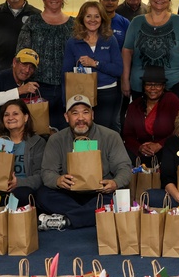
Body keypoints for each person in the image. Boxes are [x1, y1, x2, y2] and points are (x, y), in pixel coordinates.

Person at [37, 94, 133, 230]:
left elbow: (124, 167)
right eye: (75, 113)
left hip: (100, 193)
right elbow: (47, 172)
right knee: (43, 194)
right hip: (69, 193)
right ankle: (91, 215)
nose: (81, 118)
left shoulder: (111, 136)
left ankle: (66, 220)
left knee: (120, 196)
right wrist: (57, 180)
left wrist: (114, 183)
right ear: (66, 117)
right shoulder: (56, 139)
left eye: (85, 112)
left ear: (92, 115)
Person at [121, 0, 179, 101]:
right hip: (140, 83)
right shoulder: (136, 22)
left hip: (173, 83)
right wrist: (125, 79)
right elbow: (127, 51)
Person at [16, 0, 75, 132]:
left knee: (65, 132)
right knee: (38, 131)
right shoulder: (33, 22)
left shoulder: (73, 25)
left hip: (66, 87)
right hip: (38, 87)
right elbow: (21, 54)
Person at [62, 1, 123, 131]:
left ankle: (103, 152)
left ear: (102, 18)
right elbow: (66, 74)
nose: (93, 20)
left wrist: (95, 63)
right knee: (83, 130)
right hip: (82, 94)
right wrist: (65, 102)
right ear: (82, 18)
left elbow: (118, 70)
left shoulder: (110, 39)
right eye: (88, 16)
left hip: (107, 93)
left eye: (97, 16)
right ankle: (85, 152)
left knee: (104, 131)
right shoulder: (73, 42)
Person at [122, 66, 179, 166]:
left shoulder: (171, 100)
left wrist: (159, 145)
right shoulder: (134, 106)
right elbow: (128, 135)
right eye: (149, 85)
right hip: (141, 152)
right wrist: (139, 147)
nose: (153, 88)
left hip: (166, 148)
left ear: (163, 86)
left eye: (157, 85)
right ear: (143, 86)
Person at [0, 99, 45, 205]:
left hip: (24, 189)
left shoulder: (37, 142)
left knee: (19, 194)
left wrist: (18, 183)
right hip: (0, 189)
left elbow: (40, 176)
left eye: (15, 114)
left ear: (26, 117)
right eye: (6, 115)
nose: (10, 118)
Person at [0, 48, 41, 128]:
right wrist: (19, 91)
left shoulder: (32, 84)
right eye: (24, 64)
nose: (27, 70)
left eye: (31, 67)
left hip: (21, 133)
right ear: (14, 63)